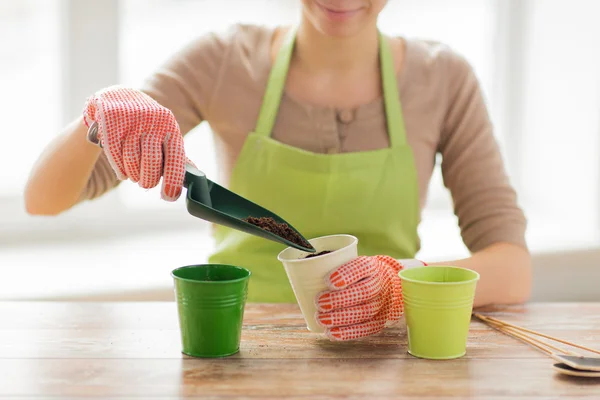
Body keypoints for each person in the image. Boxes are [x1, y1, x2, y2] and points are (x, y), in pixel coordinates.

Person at [25, 0, 531, 341]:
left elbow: (512, 270)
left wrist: (401, 285)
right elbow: (43, 199)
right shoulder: (222, 61)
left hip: (388, 351)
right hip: (245, 350)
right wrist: (100, 112)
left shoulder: (444, 78)